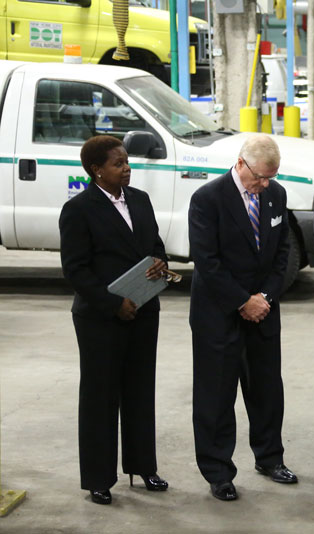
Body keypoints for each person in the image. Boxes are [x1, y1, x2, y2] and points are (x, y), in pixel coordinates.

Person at [59, 135, 169, 505]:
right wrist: (113, 304)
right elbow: (75, 270)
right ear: (97, 170)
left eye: (127, 162)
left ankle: (143, 467)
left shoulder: (140, 200)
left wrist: (160, 263)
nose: (127, 168)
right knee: (100, 397)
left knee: (140, 392)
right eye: (118, 163)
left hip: (143, 310)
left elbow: (155, 244)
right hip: (100, 319)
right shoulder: (79, 210)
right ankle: (98, 478)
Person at [188, 134, 297, 502]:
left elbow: (283, 253)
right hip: (219, 313)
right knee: (216, 395)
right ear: (240, 164)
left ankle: (270, 458)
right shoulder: (207, 200)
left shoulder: (276, 195)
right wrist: (242, 301)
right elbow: (207, 262)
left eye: (271, 177)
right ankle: (218, 471)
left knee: (267, 390)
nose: (264, 185)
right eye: (260, 178)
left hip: (263, 310)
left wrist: (265, 297)